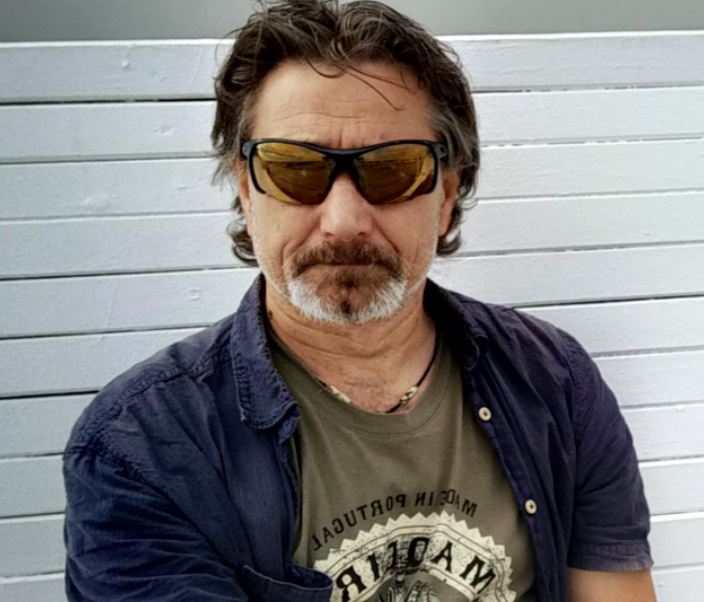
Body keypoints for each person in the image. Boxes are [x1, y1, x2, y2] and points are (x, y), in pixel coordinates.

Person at [63, 1, 657, 600]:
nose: (343, 221)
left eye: (393, 169)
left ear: (447, 195)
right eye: (295, 170)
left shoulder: (556, 383)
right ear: (246, 190)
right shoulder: (144, 448)